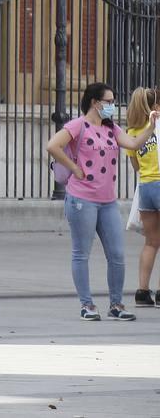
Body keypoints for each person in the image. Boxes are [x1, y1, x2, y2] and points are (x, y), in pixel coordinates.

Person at [46, 82, 156, 321]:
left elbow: (134, 144)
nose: (112, 106)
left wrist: (150, 127)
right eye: (108, 102)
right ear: (95, 103)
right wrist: (74, 167)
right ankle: (87, 305)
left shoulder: (112, 128)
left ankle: (116, 304)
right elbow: (53, 145)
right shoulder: (78, 125)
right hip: (81, 200)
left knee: (117, 254)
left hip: (107, 201)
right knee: (81, 253)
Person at [130, 89, 160, 307]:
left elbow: (136, 166)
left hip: (146, 187)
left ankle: (142, 291)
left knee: (151, 242)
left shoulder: (133, 132)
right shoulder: (157, 127)